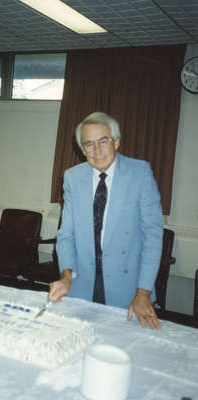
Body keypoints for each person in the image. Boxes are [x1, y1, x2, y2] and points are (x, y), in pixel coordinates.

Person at [49, 112, 163, 330]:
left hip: (129, 290)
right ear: (82, 150)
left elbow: (153, 237)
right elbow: (66, 234)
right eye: (89, 144)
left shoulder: (140, 174)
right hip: (82, 285)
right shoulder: (72, 177)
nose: (97, 150)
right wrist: (66, 276)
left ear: (117, 142)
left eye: (103, 141)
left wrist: (143, 292)